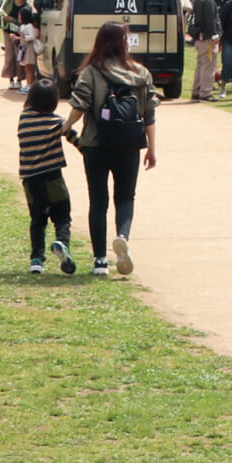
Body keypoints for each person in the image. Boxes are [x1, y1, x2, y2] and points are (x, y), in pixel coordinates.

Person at [65, 20, 158, 278]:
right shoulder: (141, 73)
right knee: (126, 197)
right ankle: (122, 237)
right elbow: (149, 113)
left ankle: (100, 261)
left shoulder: (91, 72)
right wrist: (151, 147)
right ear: (124, 43)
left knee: (98, 201)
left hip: (96, 144)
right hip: (130, 144)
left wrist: (66, 127)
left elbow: (80, 105)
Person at [18, 80, 76, 275]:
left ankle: (36, 259)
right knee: (62, 216)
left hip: (30, 179)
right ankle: (62, 243)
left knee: (38, 219)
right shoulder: (56, 122)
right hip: (53, 177)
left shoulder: (24, 118)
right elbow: (74, 136)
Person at [189, 0, 224, 101]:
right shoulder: (208, 0)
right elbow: (210, 19)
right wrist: (214, 34)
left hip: (199, 37)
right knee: (208, 65)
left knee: (200, 65)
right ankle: (205, 92)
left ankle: (197, 90)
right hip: (208, 38)